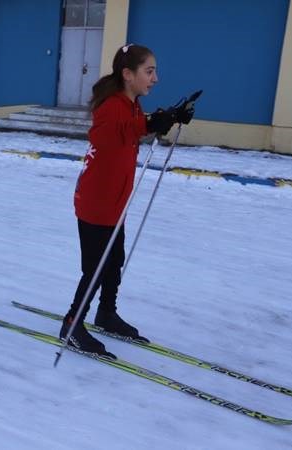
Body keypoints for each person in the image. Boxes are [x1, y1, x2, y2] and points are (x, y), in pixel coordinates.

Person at [60, 44, 194, 354]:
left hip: (115, 201)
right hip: (96, 201)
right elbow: (110, 135)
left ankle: (106, 313)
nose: (155, 78)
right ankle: (72, 322)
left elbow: (133, 127)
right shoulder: (110, 106)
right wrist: (149, 124)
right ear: (127, 74)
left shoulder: (130, 105)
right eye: (149, 71)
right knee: (95, 267)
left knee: (114, 260)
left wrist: (169, 117)